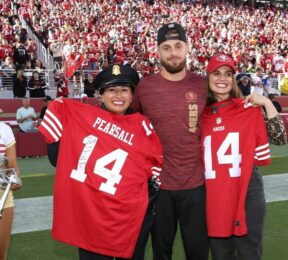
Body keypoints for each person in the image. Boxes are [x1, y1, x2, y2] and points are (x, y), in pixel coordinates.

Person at [38, 64, 163, 260]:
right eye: (111, 90)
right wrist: (60, 110)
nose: (118, 95)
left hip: (130, 215)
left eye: (124, 90)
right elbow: (57, 159)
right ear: (100, 95)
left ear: (132, 96)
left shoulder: (143, 125)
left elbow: (156, 167)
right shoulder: (81, 117)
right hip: (92, 213)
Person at [132, 22, 209, 260]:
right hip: (158, 187)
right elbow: (128, 126)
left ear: (187, 49)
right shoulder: (144, 87)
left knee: (197, 252)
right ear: (158, 51)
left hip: (196, 185)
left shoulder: (203, 85)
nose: (173, 52)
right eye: (166, 47)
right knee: (160, 253)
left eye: (178, 46)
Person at [201, 54, 286, 260]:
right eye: (217, 73)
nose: (222, 79)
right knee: (220, 252)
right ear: (208, 77)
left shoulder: (247, 108)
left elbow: (280, 138)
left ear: (233, 79)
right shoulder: (199, 114)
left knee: (249, 250)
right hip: (214, 189)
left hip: (247, 187)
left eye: (228, 74)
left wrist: (266, 102)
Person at [0, 119, 22, 260]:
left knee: (1, 254)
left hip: (3, 195)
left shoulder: (4, 130)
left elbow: (12, 168)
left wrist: (15, 178)